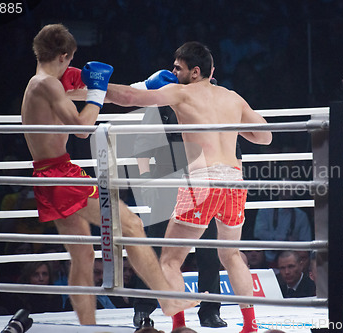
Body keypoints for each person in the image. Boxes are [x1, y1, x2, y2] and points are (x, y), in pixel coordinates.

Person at [21, 23, 198, 325]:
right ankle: (168, 300)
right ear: (65, 55)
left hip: (51, 173)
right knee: (131, 224)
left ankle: (87, 325)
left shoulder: (42, 82)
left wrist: (143, 86)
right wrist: (98, 93)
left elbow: (115, 94)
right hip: (60, 175)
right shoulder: (48, 85)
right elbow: (82, 128)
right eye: (71, 60)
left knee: (84, 256)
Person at [106, 41, 272, 333]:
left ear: (195, 72)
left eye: (178, 68)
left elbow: (131, 96)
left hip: (203, 180)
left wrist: (93, 90)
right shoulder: (232, 97)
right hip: (234, 179)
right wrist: (230, 126)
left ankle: (179, 325)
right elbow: (264, 136)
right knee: (231, 255)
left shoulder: (181, 93)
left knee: (169, 260)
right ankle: (250, 327)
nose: (172, 72)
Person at [131, 76, 238, 329]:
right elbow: (142, 145)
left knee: (208, 246)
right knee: (156, 246)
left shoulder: (216, 101)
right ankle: (143, 308)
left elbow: (231, 145)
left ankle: (210, 311)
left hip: (205, 178)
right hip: (167, 178)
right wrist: (148, 183)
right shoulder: (162, 99)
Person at [254, 188, 313, 266]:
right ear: (277, 189)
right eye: (284, 187)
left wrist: (294, 243)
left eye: (290, 187)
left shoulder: (301, 216)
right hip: (266, 258)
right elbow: (258, 233)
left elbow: (306, 242)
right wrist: (281, 239)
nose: (287, 190)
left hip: (292, 261)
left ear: (295, 190)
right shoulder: (265, 211)